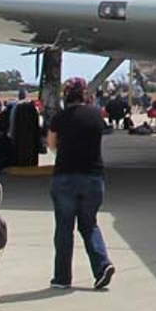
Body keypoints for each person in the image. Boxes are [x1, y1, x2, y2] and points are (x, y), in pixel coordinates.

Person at [46, 80, 116, 290]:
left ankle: (62, 277)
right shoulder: (96, 115)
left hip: (65, 176)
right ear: (85, 95)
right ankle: (102, 265)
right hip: (93, 177)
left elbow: (50, 144)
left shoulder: (60, 117)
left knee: (65, 228)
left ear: (66, 95)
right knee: (89, 224)